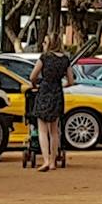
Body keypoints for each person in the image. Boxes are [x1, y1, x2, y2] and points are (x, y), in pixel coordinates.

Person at [28, 38, 76, 171]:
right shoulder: (65, 60)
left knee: (42, 129)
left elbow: (32, 76)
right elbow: (71, 80)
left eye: (45, 42)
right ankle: (53, 161)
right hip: (57, 92)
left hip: (44, 91)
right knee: (54, 130)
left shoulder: (45, 57)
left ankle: (46, 160)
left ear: (49, 44)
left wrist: (34, 85)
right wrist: (62, 85)